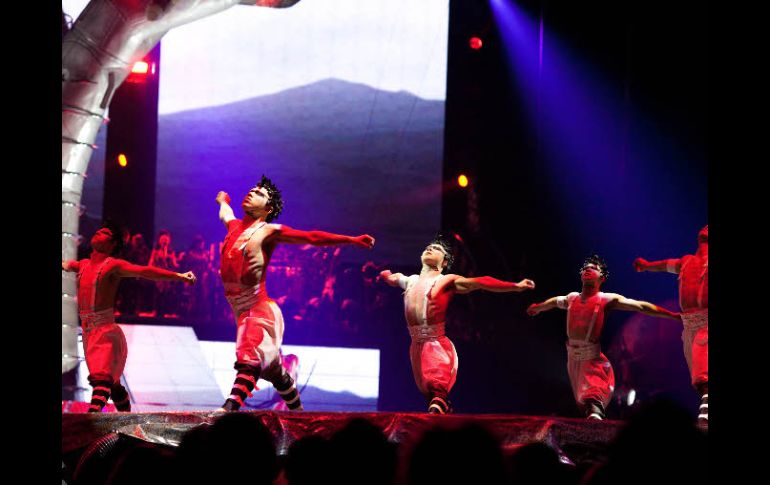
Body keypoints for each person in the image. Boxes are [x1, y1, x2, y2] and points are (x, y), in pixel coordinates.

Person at [215, 175, 375, 412]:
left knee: (249, 357)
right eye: (251, 190)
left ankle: (228, 409)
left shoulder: (269, 231)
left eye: (259, 193)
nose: (251, 192)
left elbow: (312, 237)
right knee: (274, 371)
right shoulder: (234, 226)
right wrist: (223, 200)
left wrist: (350, 240)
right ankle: (298, 411)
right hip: (240, 312)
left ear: (268, 209)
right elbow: (225, 213)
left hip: (259, 309)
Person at [379, 234, 535, 414]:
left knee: (436, 388)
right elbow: (392, 278)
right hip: (416, 346)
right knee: (429, 393)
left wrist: (515, 286)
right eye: (429, 247)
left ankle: (440, 407)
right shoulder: (410, 281)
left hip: (435, 345)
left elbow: (481, 282)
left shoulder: (446, 280)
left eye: (437, 249)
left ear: (444, 263)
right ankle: (445, 411)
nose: (431, 248)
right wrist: (385, 274)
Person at [62, 220, 196, 412]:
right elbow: (66, 264)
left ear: (113, 244)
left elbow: (144, 271)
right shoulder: (83, 265)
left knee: (101, 378)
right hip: (89, 333)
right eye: (98, 231)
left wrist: (178, 276)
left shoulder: (113, 265)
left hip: (104, 332)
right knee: (113, 384)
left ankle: (91, 419)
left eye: (105, 232)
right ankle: (125, 416)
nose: (98, 232)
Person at [527, 255, 680, 420]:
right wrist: (538, 308)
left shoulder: (606, 299)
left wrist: (671, 315)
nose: (587, 269)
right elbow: (554, 302)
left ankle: (595, 416)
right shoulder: (572, 298)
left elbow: (640, 306)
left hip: (591, 357)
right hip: (572, 357)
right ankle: (590, 419)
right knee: (581, 400)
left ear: (602, 277)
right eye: (585, 267)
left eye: (593, 268)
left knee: (594, 394)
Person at [633, 225, 708, 426]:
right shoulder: (686, 261)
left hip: (706, 322)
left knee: (704, 373)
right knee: (698, 377)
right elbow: (665, 265)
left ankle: (706, 410)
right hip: (689, 325)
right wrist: (647, 265)